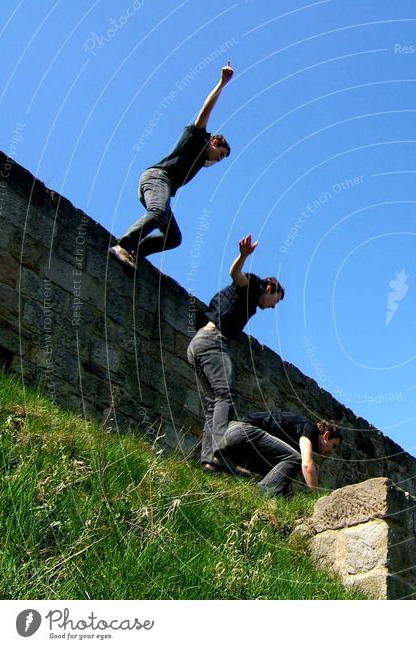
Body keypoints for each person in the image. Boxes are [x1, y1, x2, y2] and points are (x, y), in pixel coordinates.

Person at [110, 62, 234, 267]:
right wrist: (222, 83)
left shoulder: (202, 161)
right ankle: (123, 246)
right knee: (158, 214)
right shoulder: (196, 138)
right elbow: (205, 110)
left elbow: (210, 160)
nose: (217, 160)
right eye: (219, 155)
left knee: (174, 238)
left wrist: (218, 156)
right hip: (158, 179)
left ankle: (135, 253)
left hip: (162, 187)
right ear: (213, 142)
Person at [187, 234, 284, 471]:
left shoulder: (250, 298)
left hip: (199, 343)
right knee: (226, 395)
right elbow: (235, 275)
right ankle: (223, 449)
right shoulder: (253, 285)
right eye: (275, 300)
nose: (272, 306)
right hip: (212, 340)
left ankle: (209, 460)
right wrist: (243, 256)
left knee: (216, 402)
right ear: (270, 288)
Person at [216, 412, 342, 496]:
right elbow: (307, 465)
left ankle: (223, 471)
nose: (331, 452)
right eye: (333, 445)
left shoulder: (291, 444)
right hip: (242, 432)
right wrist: (317, 499)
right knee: (296, 459)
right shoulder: (310, 429)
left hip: (231, 435)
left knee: (274, 471)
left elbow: (284, 477)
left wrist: (291, 502)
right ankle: (260, 495)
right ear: (326, 435)